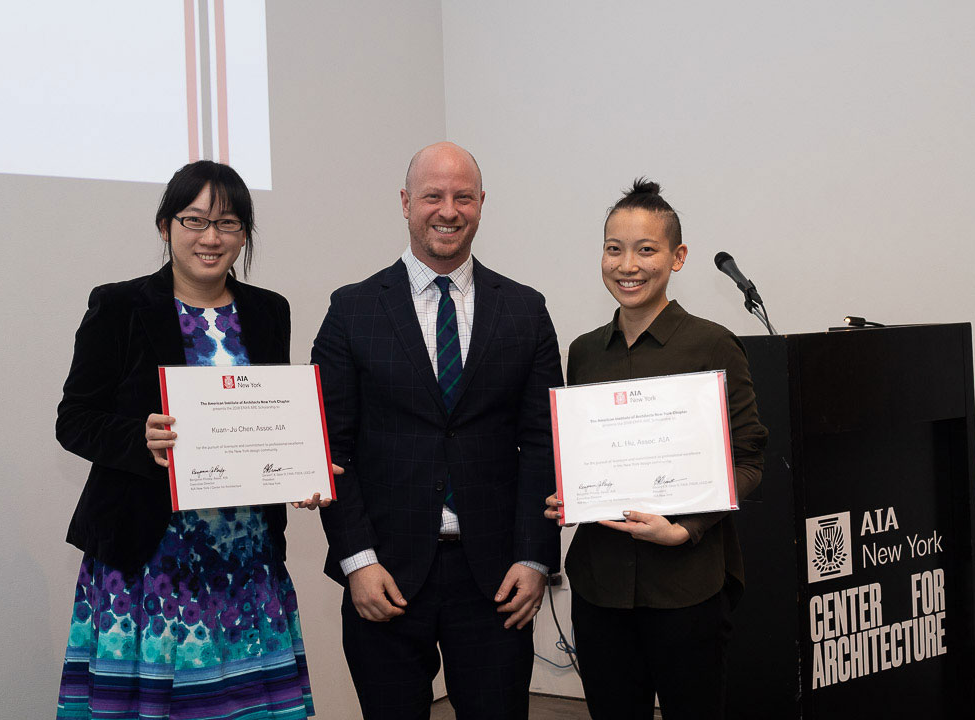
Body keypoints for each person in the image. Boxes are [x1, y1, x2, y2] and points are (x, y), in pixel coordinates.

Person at [55, 160, 326, 720]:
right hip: (149, 556)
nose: (210, 237)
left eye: (227, 223)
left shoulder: (269, 310)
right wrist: (140, 437)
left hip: (245, 556)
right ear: (166, 226)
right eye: (194, 220)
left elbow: (271, 416)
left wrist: (299, 469)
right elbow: (74, 419)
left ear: (244, 234)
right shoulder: (120, 305)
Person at [310, 142, 563, 719]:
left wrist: (535, 558)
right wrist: (356, 561)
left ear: (482, 203)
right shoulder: (352, 310)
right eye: (433, 196)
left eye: (463, 197)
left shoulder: (525, 309)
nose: (448, 210)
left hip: (497, 580)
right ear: (405, 202)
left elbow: (544, 443)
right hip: (384, 576)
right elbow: (329, 446)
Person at [545, 180, 768, 719]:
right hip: (600, 587)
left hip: (686, 588)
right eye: (614, 249)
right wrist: (571, 493)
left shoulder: (712, 344)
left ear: (677, 257)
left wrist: (685, 527)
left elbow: (749, 462)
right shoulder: (584, 352)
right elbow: (588, 452)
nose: (628, 265)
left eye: (646, 250)